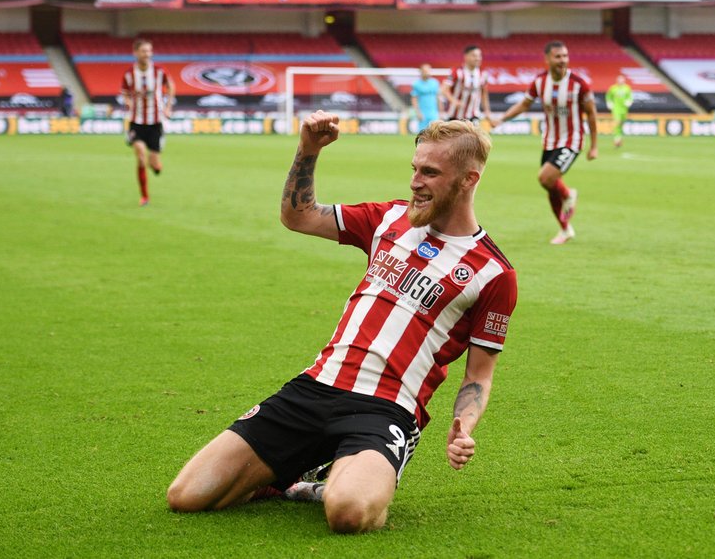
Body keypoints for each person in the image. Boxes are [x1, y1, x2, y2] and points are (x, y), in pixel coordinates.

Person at [166, 111, 517, 534]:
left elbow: (479, 375)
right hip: (316, 387)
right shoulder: (387, 219)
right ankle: (292, 476)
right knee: (186, 496)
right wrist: (308, 149)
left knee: (347, 513)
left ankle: (336, 481)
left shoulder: (494, 273)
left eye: (430, 172)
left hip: (386, 408)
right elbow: (300, 216)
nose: (414, 182)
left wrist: (464, 426)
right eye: (414, 169)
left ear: (468, 180)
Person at [492, 40, 598, 244]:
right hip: (549, 141)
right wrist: (502, 118)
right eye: (558, 56)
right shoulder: (540, 82)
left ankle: (568, 194)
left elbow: (591, 114)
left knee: (545, 177)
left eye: (565, 56)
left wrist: (593, 146)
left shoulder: (579, 83)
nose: (562, 60)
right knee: (550, 186)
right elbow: (524, 104)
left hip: (572, 140)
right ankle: (565, 229)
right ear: (547, 59)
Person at [120, 38, 175, 206]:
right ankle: (144, 196)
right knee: (140, 155)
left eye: (149, 51)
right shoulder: (129, 74)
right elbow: (125, 92)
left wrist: (167, 106)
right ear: (135, 53)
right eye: (143, 51)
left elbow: (171, 86)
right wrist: (128, 101)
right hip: (137, 121)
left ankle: (156, 165)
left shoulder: (159, 71)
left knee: (154, 163)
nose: (147, 54)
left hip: (155, 122)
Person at [442, 44, 491, 123]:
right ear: (466, 56)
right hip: (455, 116)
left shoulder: (483, 74)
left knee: (474, 135)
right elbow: (444, 89)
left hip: (473, 116)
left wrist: (487, 112)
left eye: (479, 56)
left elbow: (484, 94)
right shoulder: (456, 72)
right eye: (474, 56)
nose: (478, 58)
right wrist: (453, 100)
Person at [410, 63, 444, 131]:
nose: (427, 73)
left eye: (428, 71)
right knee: (422, 133)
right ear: (421, 72)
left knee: (435, 132)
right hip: (423, 113)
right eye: (425, 71)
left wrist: (441, 112)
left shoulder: (435, 83)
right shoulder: (416, 84)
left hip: (433, 112)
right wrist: (418, 112)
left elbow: (439, 98)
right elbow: (414, 99)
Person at [605, 74, 633, 148]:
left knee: (621, 125)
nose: (620, 82)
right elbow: (608, 96)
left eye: (622, 80)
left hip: (624, 109)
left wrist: (629, 101)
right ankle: (616, 139)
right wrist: (609, 103)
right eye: (619, 80)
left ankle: (619, 138)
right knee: (617, 123)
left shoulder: (627, 88)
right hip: (616, 109)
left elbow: (630, 97)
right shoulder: (613, 88)